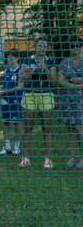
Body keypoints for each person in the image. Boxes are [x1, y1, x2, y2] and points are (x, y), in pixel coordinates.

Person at [19, 37, 56, 169]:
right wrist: (34, 70)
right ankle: (25, 158)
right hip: (30, 94)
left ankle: (48, 159)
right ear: (35, 46)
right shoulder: (27, 60)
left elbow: (53, 81)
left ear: (47, 48)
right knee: (28, 127)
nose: (42, 48)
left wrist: (45, 68)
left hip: (46, 95)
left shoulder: (51, 61)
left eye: (44, 46)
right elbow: (22, 77)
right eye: (39, 45)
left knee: (47, 128)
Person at [57, 40, 83, 168]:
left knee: (80, 129)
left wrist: (76, 80)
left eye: (77, 45)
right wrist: (76, 84)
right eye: (72, 45)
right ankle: (73, 157)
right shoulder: (64, 62)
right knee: (69, 129)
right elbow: (60, 81)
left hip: (81, 101)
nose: (75, 48)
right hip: (67, 99)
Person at [0, 50, 23, 156]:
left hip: (16, 99)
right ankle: (7, 146)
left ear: (17, 58)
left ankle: (17, 146)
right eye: (8, 57)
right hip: (5, 100)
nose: (10, 59)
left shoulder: (21, 70)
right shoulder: (7, 70)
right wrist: (0, 89)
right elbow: (5, 84)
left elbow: (20, 86)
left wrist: (5, 91)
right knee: (6, 122)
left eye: (12, 57)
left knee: (17, 123)